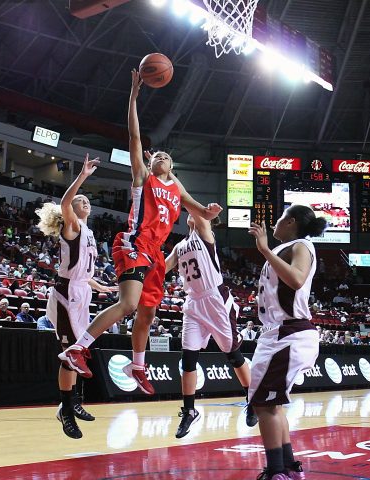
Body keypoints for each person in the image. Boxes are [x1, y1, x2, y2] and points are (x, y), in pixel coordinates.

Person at [58, 70, 222, 395]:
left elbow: (198, 209)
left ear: (172, 167)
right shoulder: (142, 177)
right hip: (135, 243)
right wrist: (134, 97)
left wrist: (209, 212)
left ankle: (137, 366)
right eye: (156, 155)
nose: (159, 156)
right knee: (129, 304)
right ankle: (79, 348)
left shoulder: (175, 189)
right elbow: (134, 138)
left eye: (166, 156)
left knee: (147, 314)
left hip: (156, 254)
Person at [36, 155, 114, 440]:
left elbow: (82, 269)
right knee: (71, 354)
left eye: (87, 202)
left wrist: (101, 287)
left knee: (79, 351)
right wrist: (82, 176)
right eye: (82, 201)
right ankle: (66, 410)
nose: (86, 204)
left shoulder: (90, 231)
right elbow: (66, 202)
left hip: (82, 290)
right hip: (66, 293)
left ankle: (73, 402)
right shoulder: (72, 226)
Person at [248, 205, 327, 480]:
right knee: (273, 405)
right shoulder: (291, 247)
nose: (274, 224)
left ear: (291, 222)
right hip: (282, 333)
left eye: (279, 219)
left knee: (263, 405)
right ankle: (289, 466)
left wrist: (265, 250)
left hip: (288, 334)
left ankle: (275, 472)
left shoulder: (301, 245)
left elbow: (296, 279)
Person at [165, 214, 257, 438]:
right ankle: (189, 410)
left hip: (215, 299)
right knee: (188, 359)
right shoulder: (180, 245)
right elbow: (162, 268)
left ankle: (253, 399)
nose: (190, 215)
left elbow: (195, 211)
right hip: (194, 303)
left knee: (234, 355)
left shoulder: (205, 234)